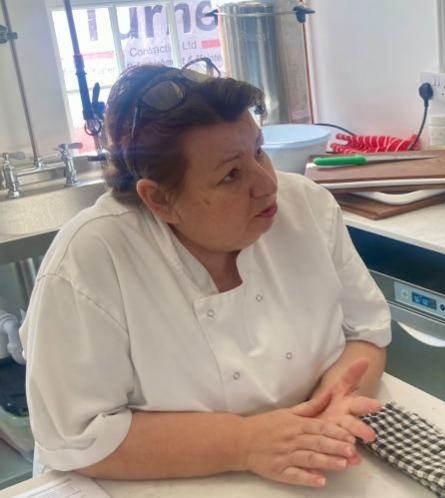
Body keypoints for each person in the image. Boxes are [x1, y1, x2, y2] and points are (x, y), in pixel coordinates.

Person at [20, 59, 392, 489]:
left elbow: (367, 331)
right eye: (231, 175)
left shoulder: (306, 206)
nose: (266, 184)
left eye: (259, 151)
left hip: (314, 468)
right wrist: (245, 443)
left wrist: (330, 408)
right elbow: (78, 436)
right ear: (160, 200)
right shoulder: (90, 258)